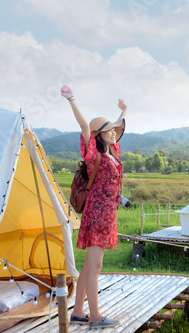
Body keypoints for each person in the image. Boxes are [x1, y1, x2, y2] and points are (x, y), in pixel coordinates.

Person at [60, 85, 126, 329]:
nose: (113, 133)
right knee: (95, 267)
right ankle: (95, 316)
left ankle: (78, 311)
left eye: (113, 131)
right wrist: (71, 99)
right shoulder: (94, 155)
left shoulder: (112, 153)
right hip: (97, 214)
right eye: (107, 131)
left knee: (89, 265)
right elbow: (84, 126)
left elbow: (117, 128)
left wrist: (123, 112)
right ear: (98, 135)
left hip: (107, 214)